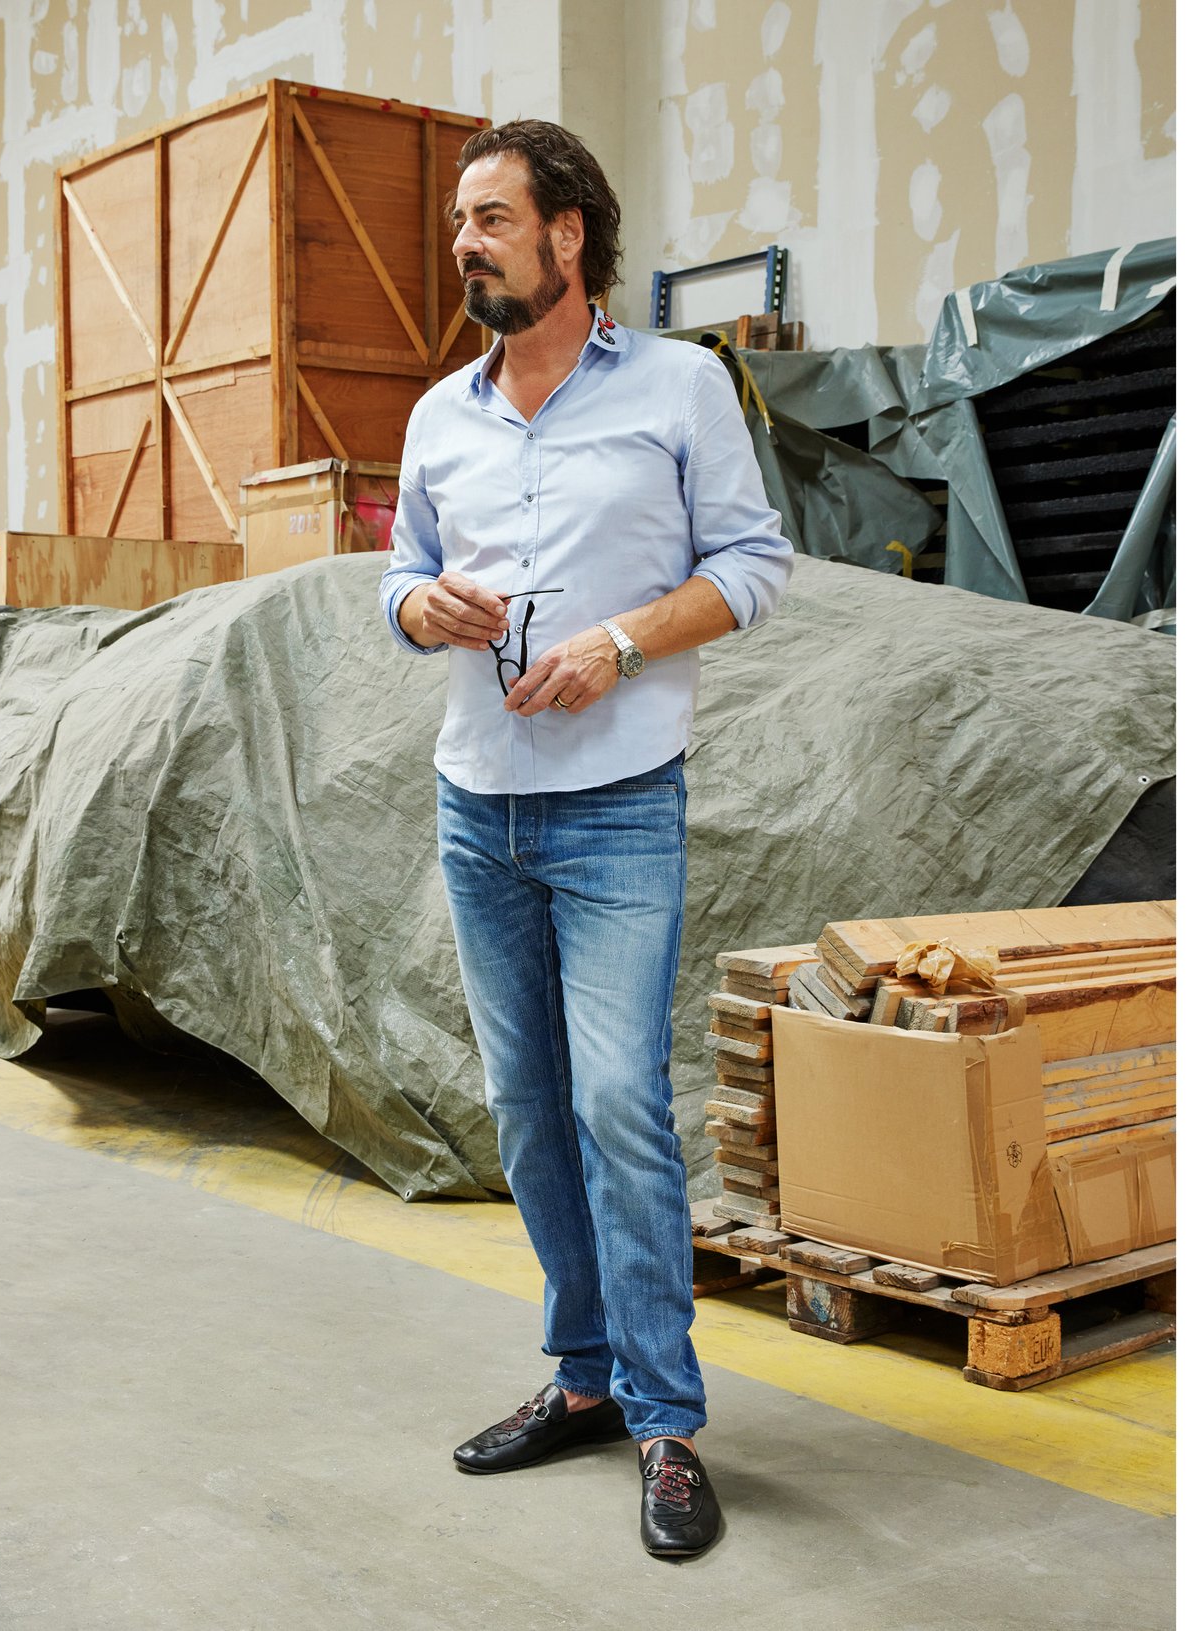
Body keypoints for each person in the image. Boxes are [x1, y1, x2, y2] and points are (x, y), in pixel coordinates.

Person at [377, 118, 795, 1562]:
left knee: (618, 1102)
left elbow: (753, 564)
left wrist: (618, 644)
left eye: (491, 218)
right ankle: (583, 1379)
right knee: (527, 1109)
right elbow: (401, 570)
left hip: (619, 803)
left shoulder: (681, 385)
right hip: (476, 802)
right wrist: (417, 605)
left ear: (569, 235)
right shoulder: (441, 415)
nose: (465, 244)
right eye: (458, 224)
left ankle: (667, 1419)